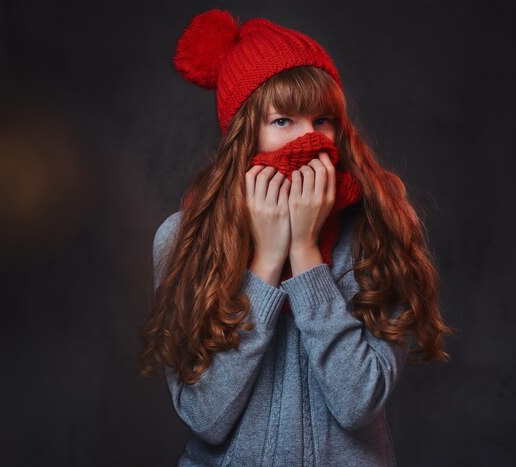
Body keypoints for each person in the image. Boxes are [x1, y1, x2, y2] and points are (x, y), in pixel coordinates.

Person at [139, 8, 454, 466]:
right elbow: (204, 417)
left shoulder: (380, 230)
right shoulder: (184, 241)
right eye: (283, 121)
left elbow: (358, 402)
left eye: (323, 120)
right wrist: (265, 263)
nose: (310, 140)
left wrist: (306, 255)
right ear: (245, 134)